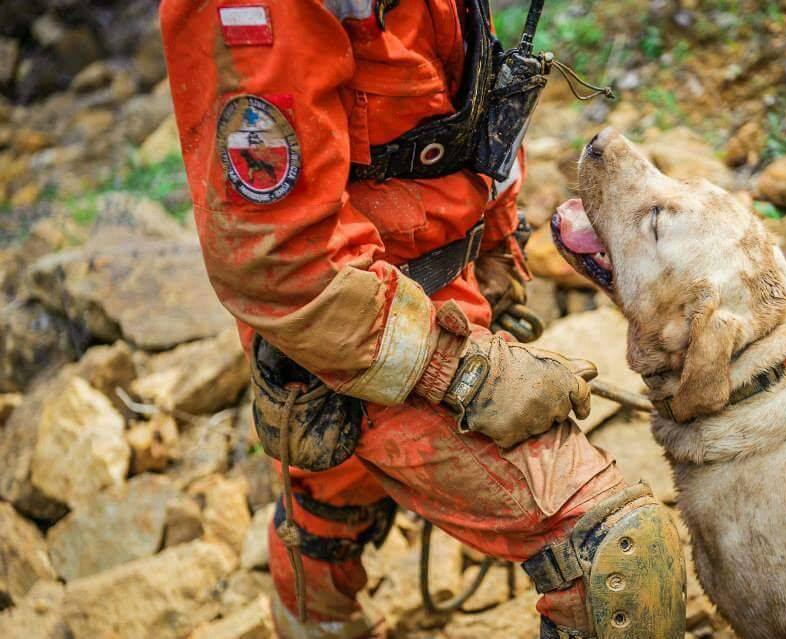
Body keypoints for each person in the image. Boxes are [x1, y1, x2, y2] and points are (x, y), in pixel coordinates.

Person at [159, 2, 684, 637]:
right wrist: (463, 373)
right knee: (617, 554)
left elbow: (466, 88)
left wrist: (494, 250)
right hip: (348, 327)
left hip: (430, 292)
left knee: (333, 488)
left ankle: (315, 613)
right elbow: (280, 262)